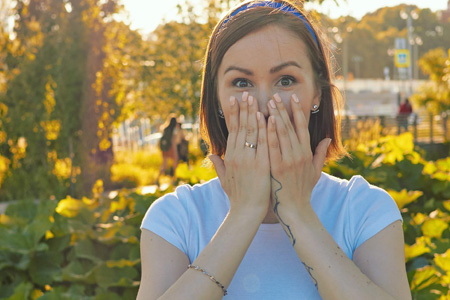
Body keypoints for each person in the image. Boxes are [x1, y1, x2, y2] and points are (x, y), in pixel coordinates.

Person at [138, 1, 411, 299]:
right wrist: (244, 213)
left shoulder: (366, 210)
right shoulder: (175, 218)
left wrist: (297, 211)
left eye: (286, 80)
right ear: (216, 99)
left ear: (317, 93)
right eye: (241, 83)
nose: (266, 104)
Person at [156, 115, 184, 184]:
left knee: (164, 165)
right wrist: (175, 152)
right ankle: (174, 180)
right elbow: (173, 141)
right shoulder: (174, 130)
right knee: (175, 164)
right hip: (171, 148)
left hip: (165, 149)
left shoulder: (166, 128)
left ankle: (157, 179)